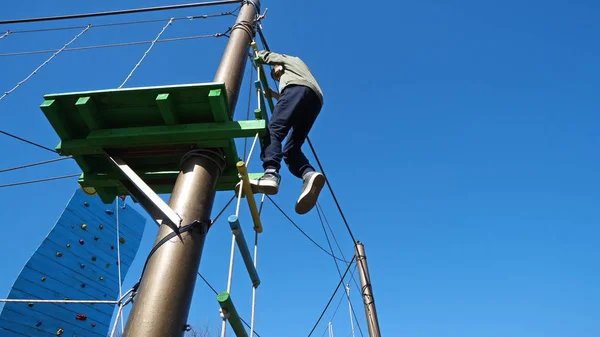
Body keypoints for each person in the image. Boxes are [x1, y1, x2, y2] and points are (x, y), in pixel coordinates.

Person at [242, 50, 325, 215]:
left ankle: (271, 172)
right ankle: (308, 174)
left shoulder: (288, 61)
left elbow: (271, 58)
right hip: (315, 99)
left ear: (278, 68)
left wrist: (259, 55)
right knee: (291, 149)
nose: (277, 77)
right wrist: (274, 94)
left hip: (297, 90)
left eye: (276, 74)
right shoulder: (301, 72)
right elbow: (290, 100)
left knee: (273, 131)